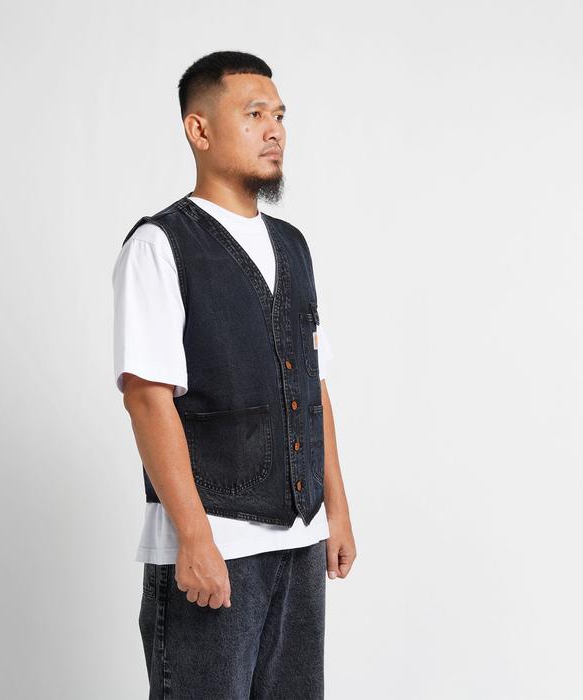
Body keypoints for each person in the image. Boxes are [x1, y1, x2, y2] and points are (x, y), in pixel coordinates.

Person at [112, 50, 357, 699]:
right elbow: (148, 399)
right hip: (213, 543)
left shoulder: (293, 245)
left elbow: (313, 386)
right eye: (253, 115)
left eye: (279, 115)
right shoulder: (160, 245)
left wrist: (336, 511)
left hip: (300, 540)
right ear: (199, 129)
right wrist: (193, 538)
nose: (274, 130)